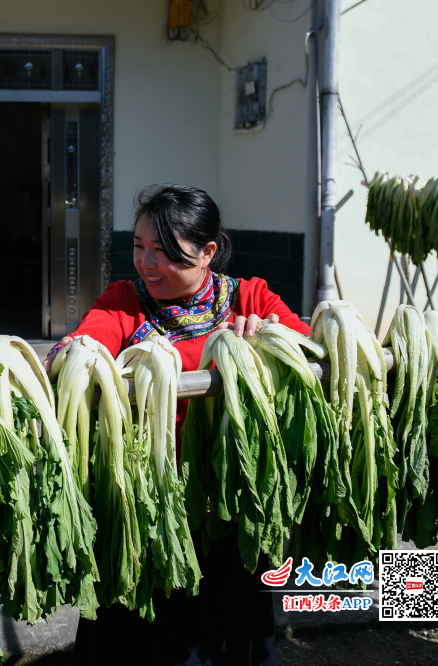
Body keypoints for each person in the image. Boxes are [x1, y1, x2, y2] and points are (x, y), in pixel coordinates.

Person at [45, 185, 309, 666]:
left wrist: (267, 336)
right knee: (135, 630)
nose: (147, 262)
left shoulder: (248, 298)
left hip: (225, 498)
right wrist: (69, 355)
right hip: (149, 498)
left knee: (220, 623)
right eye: (139, 246)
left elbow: (309, 351)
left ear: (207, 252)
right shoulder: (124, 302)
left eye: (164, 252)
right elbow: (83, 342)